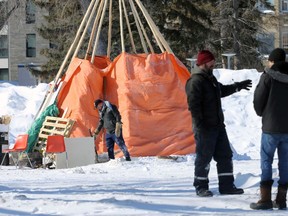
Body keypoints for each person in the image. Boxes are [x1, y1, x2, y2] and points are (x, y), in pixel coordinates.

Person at [185, 50, 252, 197]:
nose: (213, 64)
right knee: (204, 157)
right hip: (205, 127)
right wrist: (200, 125)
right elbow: (193, 106)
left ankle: (227, 186)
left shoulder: (210, 78)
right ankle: (201, 186)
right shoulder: (195, 81)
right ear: (203, 63)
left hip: (218, 126)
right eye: (211, 62)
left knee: (225, 155)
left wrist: (237, 86)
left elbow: (220, 90)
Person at [250, 48, 288, 210]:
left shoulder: (267, 77)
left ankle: (265, 199)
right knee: (286, 163)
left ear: (272, 61)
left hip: (270, 128)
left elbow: (258, 101)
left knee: (266, 161)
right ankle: (281, 199)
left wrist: (262, 113)